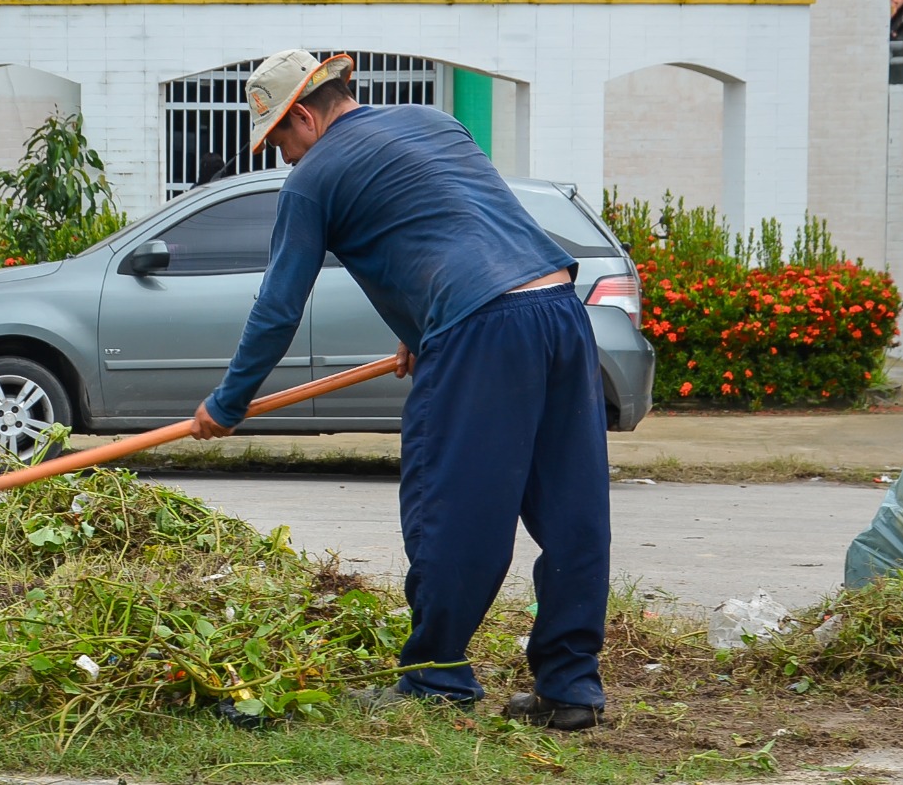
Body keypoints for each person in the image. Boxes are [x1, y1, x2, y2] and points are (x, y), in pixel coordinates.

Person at [189, 49, 611, 730]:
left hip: (481, 329)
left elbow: (278, 307)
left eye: (281, 142)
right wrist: (424, 324)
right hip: (558, 305)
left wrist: (228, 402)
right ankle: (570, 688)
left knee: (449, 505)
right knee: (573, 511)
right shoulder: (432, 120)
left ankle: (436, 675)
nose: (284, 160)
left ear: (302, 114)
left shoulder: (313, 178)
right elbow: (451, 222)